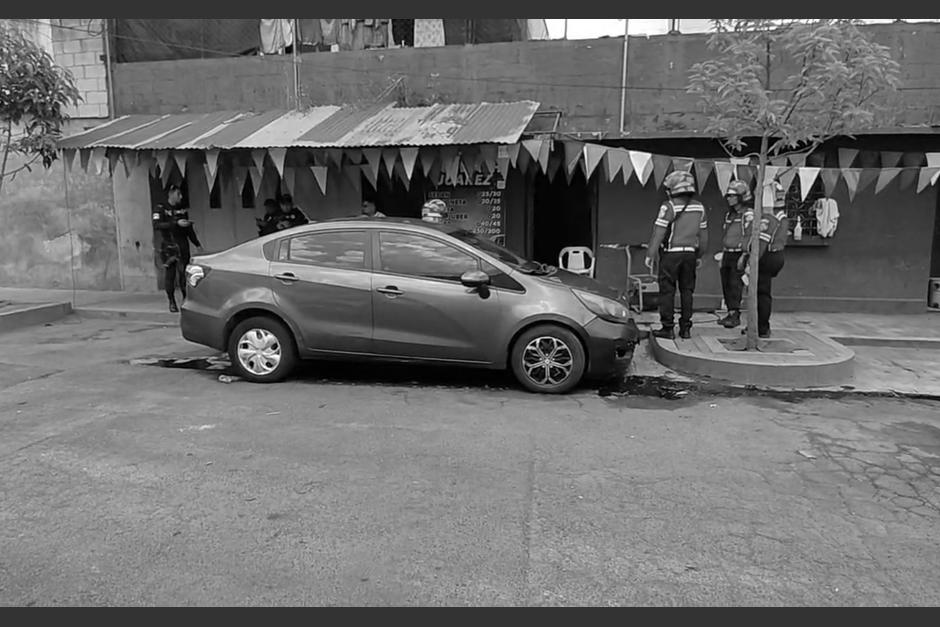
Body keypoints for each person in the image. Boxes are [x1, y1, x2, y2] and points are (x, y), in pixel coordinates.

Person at [645, 170, 709, 340]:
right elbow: (703, 237)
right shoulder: (699, 207)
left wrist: (650, 254)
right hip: (690, 255)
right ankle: (686, 328)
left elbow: (658, 233)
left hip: (671, 255)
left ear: (673, 189)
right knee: (687, 291)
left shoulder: (668, 206)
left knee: (667, 291)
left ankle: (667, 328)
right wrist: (699, 255)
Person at [738, 180, 788, 338]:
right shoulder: (782, 215)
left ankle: (761, 327)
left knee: (760, 292)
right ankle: (757, 324)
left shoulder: (769, 217)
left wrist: (750, 265)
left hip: (767, 256)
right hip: (776, 254)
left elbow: (761, 242)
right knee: (760, 292)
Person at [152, 184, 202, 313]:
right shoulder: (160, 208)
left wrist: (197, 244)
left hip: (182, 244)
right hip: (169, 245)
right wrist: (174, 223)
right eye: (178, 194)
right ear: (171, 193)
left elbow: (189, 230)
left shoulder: (182, 210)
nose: (181, 197)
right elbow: (157, 225)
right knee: (170, 275)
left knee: (184, 275)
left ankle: (186, 300)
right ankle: (171, 301)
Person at [716, 180, 754, 329]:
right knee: (726, 283)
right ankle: (730, 312)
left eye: (733, 196)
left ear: (741, 197)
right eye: (728, 195)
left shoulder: (748, 214)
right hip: (727, 253)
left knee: (735, 284)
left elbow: (749, 236)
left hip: (740, 254)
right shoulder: (730, 215)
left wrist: (744, 255)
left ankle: (735, 314)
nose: (729, 198)